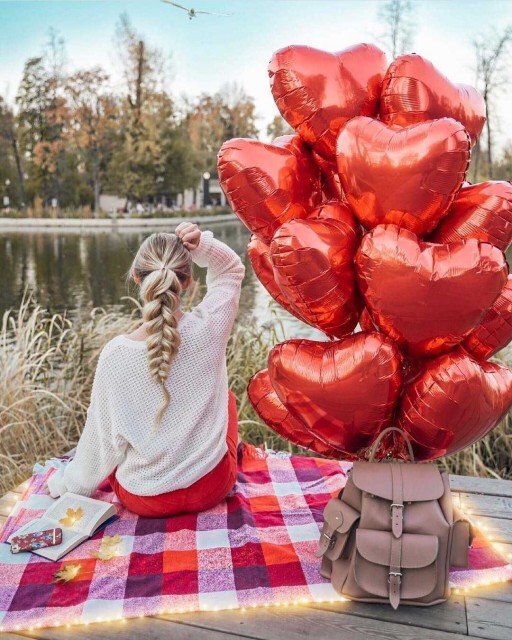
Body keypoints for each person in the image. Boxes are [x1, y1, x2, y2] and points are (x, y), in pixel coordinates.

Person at [47, 222, 245, 517]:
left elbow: (103, 442)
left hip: (146, 498)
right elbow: (230, 270)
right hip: (211, 487)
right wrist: (202, 245)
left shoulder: (115, 355)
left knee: (114, 439)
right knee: (226, 398)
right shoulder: (209, 328)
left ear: (137, 278)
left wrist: (67, 486)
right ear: (187, 282)